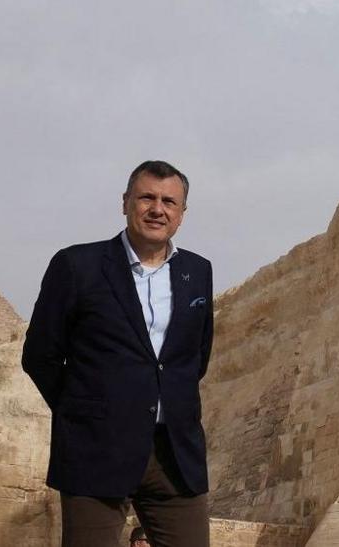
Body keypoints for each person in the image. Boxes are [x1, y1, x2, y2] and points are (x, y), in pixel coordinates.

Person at [22, 160, 214, 547]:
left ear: (181, 214)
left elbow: (194, 358)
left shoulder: (199, 270)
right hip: (97, 450)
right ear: (126, 202)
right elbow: (40, 355)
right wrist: (86, 412)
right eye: (147, 197)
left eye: (169, 202)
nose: (157, 209)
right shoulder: (77, 266)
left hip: (174, 455)